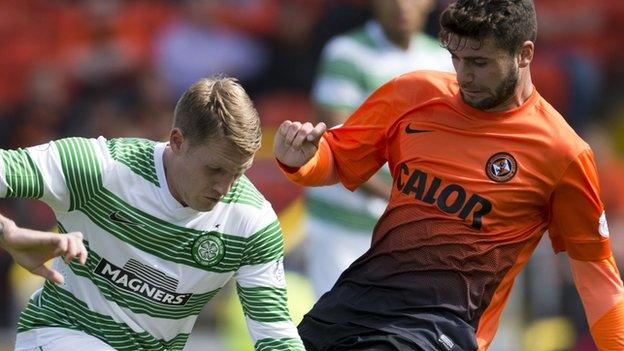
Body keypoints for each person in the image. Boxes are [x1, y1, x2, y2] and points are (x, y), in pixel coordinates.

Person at [273, 0, 624, 350]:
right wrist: (301, 161)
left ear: (524, 53)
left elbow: (596, 275)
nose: (464, 75)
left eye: (479, 62)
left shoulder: (562, 152)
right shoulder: (413, 94)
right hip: (357, 300)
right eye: (456, 58)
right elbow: (337, 160)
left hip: (442, 325)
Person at [0, 77, 304, 350]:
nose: (225, 187)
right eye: (215, 169)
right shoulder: (98, 168)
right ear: (177, 141)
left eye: (238, 173)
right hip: (61, 335)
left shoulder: (252, 222)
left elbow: (274, 333)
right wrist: (7, 233)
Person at [306, 0, 454, 297]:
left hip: (407, 231)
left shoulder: (444, 61)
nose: (402, 6)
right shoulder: (345, 54)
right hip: (342, 229)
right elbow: (341, 146)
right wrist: (406, 202)